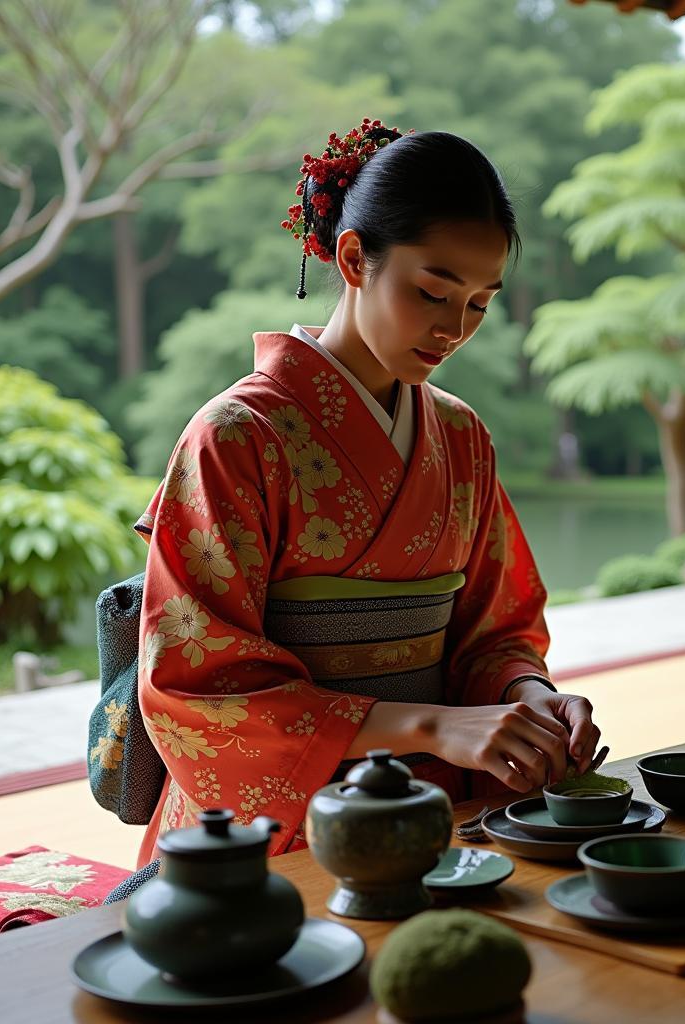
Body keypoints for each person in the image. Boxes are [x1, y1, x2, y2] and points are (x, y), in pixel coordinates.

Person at [131, 119, 601, 866]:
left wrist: (525, 695)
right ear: (354, 258)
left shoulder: (463, 436)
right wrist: (431, 726)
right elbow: (201, 685)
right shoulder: (235, 436)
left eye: (479, 303)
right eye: (433, 291)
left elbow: (496, 630)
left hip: (446, 800)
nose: (454, 328)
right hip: (281, 818)